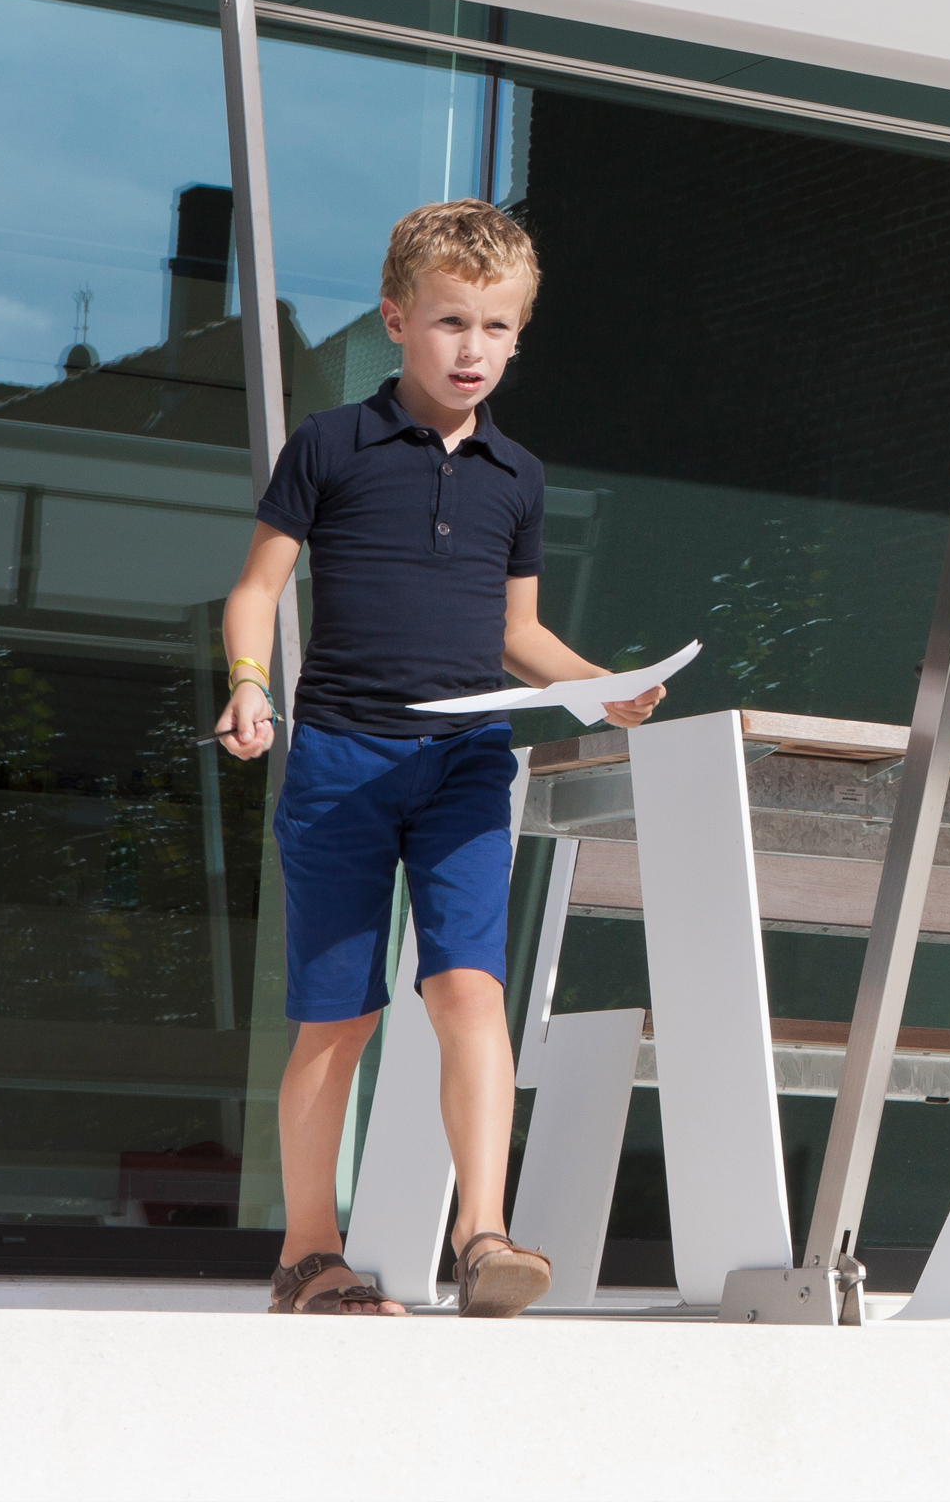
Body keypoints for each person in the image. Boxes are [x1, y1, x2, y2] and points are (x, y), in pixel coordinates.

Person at [214, 200, 664, 1317]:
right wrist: (250, 684)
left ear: (519, 336)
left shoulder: (518, 474)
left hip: (467, 763)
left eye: (496, 327)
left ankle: (483, 1236)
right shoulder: (329, 444)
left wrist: (600, 687)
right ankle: (309, 1254)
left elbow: (520, 632)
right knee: (341, 1016)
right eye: (451, 321)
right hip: (342, 763)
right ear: (396, 319)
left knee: (470, 989)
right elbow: (259, 589)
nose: (473, 348)